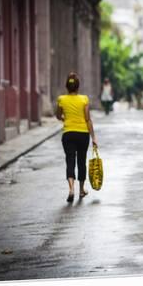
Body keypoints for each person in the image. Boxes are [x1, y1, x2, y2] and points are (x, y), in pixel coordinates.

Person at [55, 72, 98, 203]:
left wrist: (65, 118)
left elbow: (58, 116)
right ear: (78, 87)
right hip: (83, 134)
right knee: (81, 161)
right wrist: (94, 137)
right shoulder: (84, 99)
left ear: (67, 87)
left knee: (70, 161)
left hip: (68, 134)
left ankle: (71, 189)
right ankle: (81, 190)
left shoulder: (61, 99)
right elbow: (88, 119)